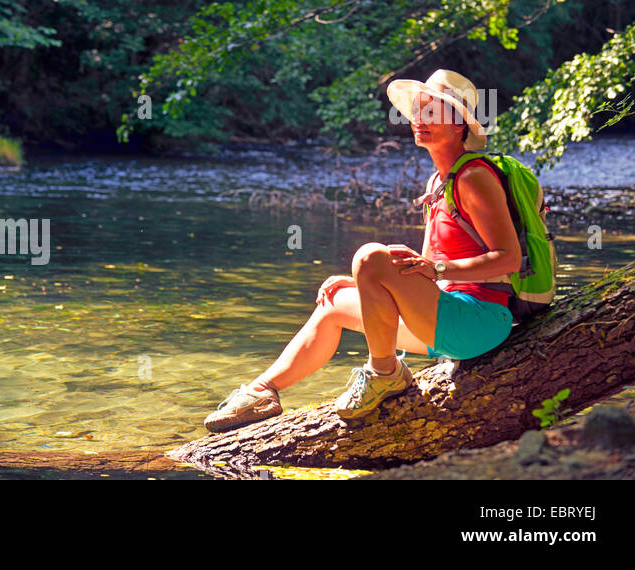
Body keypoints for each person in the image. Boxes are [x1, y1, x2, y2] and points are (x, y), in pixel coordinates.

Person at [203, 69, 520, 432]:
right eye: (419, 111)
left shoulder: (474, 177)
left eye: (435, 113)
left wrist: (435, 271)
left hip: (479, 322)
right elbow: (425, 263)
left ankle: (384, 373)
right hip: (443, 315)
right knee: (334, 302)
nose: (420, 120)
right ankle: (262, 393)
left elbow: (507, 258)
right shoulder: (439, 181)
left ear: (460, 125)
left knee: (370, 256)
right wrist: (362, 284)